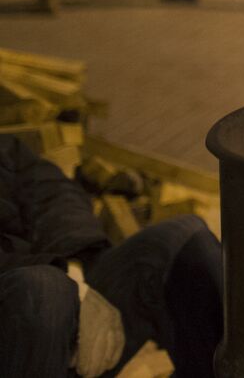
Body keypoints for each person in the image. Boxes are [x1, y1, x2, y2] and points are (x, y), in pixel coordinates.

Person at [0, 134, 223, 377]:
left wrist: (74, 271)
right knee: (42, 291)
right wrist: (62, 281)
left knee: (180, 239)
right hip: (23, 319)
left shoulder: (7, 149)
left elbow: (54, 193)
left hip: (55, 300)